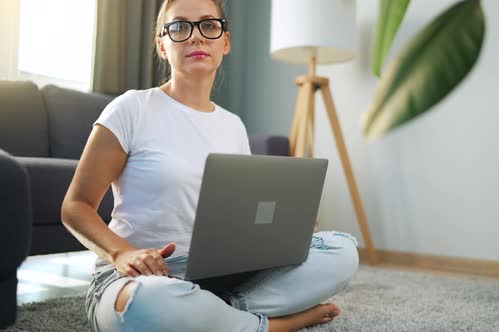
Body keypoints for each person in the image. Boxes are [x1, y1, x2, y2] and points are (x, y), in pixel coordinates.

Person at [61, 0, 359, 331]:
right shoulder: (130, 109)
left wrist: (278, 239)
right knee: (142, 307)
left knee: (341, 251)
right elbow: (75, 206)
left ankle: (216, 314)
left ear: (225, 42)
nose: (196, 37)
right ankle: (273, 325)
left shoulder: (233, 126)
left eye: (209, 25)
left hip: (221, 276)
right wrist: (122, 254)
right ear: (162, 45)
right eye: (179, 27)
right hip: (140, 278)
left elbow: (240, 218)